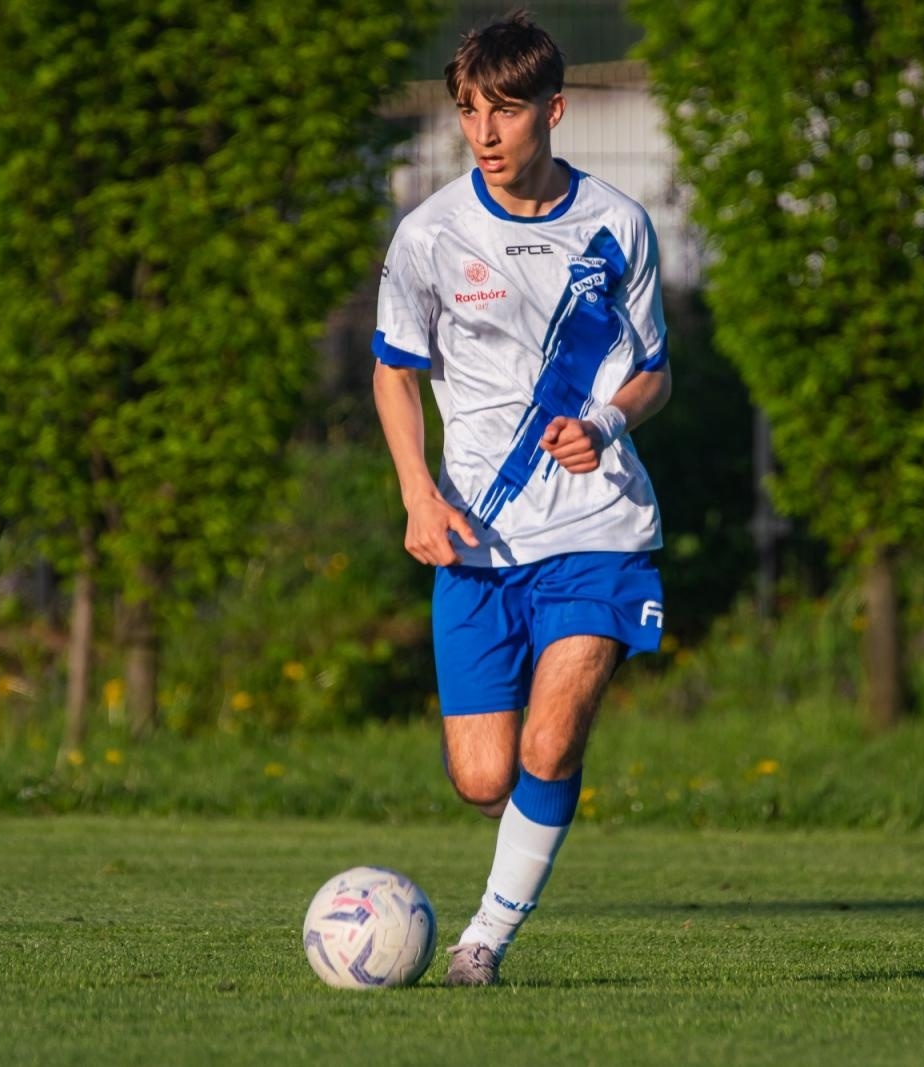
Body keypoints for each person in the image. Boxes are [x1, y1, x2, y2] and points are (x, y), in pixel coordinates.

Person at [370, 10, 672, 987]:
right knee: (483, 776)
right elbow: (393, 371)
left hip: (598, 528)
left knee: (550, 739)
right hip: (476, 538)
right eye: (469, 111)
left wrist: (607, 423)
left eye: (504, 111)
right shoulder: (429, 234)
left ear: (554, 109)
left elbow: (654, 371)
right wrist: (417, 495)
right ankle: (523, 829)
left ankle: (482, 942)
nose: (484, 133)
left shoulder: (616, 225)